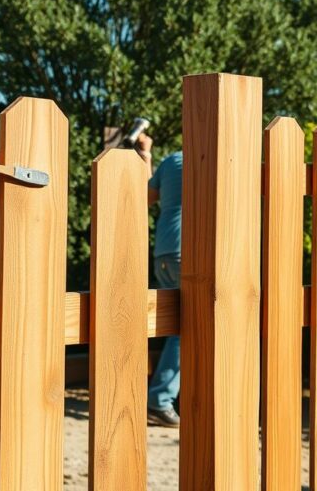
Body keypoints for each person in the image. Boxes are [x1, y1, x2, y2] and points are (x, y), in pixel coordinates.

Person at [137, 133, 182, 428]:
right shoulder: (221, 160)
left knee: (176, 326)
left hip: (164, 251)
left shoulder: (172, 160)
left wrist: (145, 155)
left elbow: (147, 196)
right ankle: (160, 399)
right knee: (189, 329)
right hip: (190, 250)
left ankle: (163, 396)